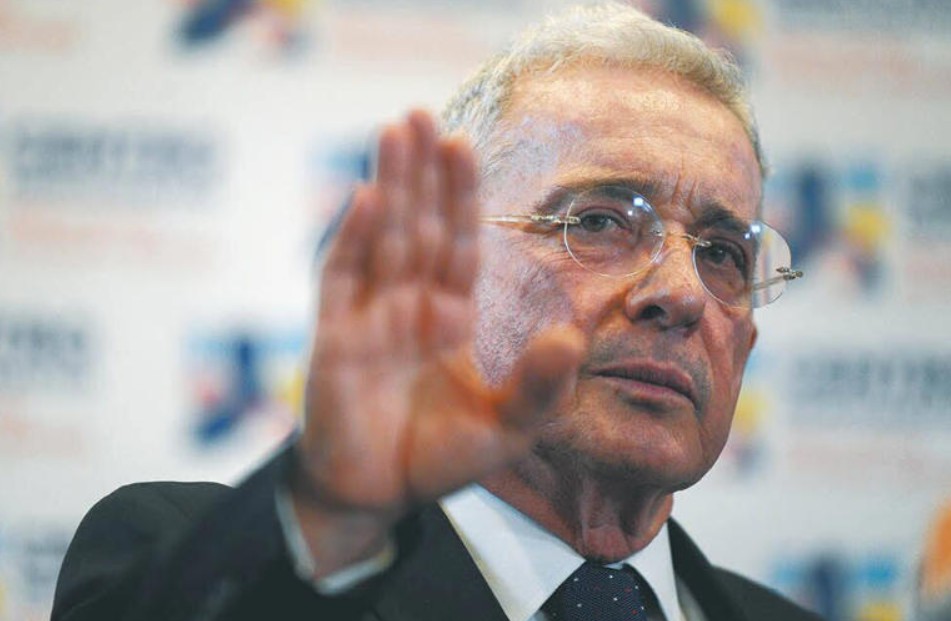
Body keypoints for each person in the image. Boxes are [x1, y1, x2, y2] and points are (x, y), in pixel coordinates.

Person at [52, 3, 816, 620]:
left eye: (722, 253)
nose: (682, 292)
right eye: (598, 221)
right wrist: (330, 512)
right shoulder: (221, 562)